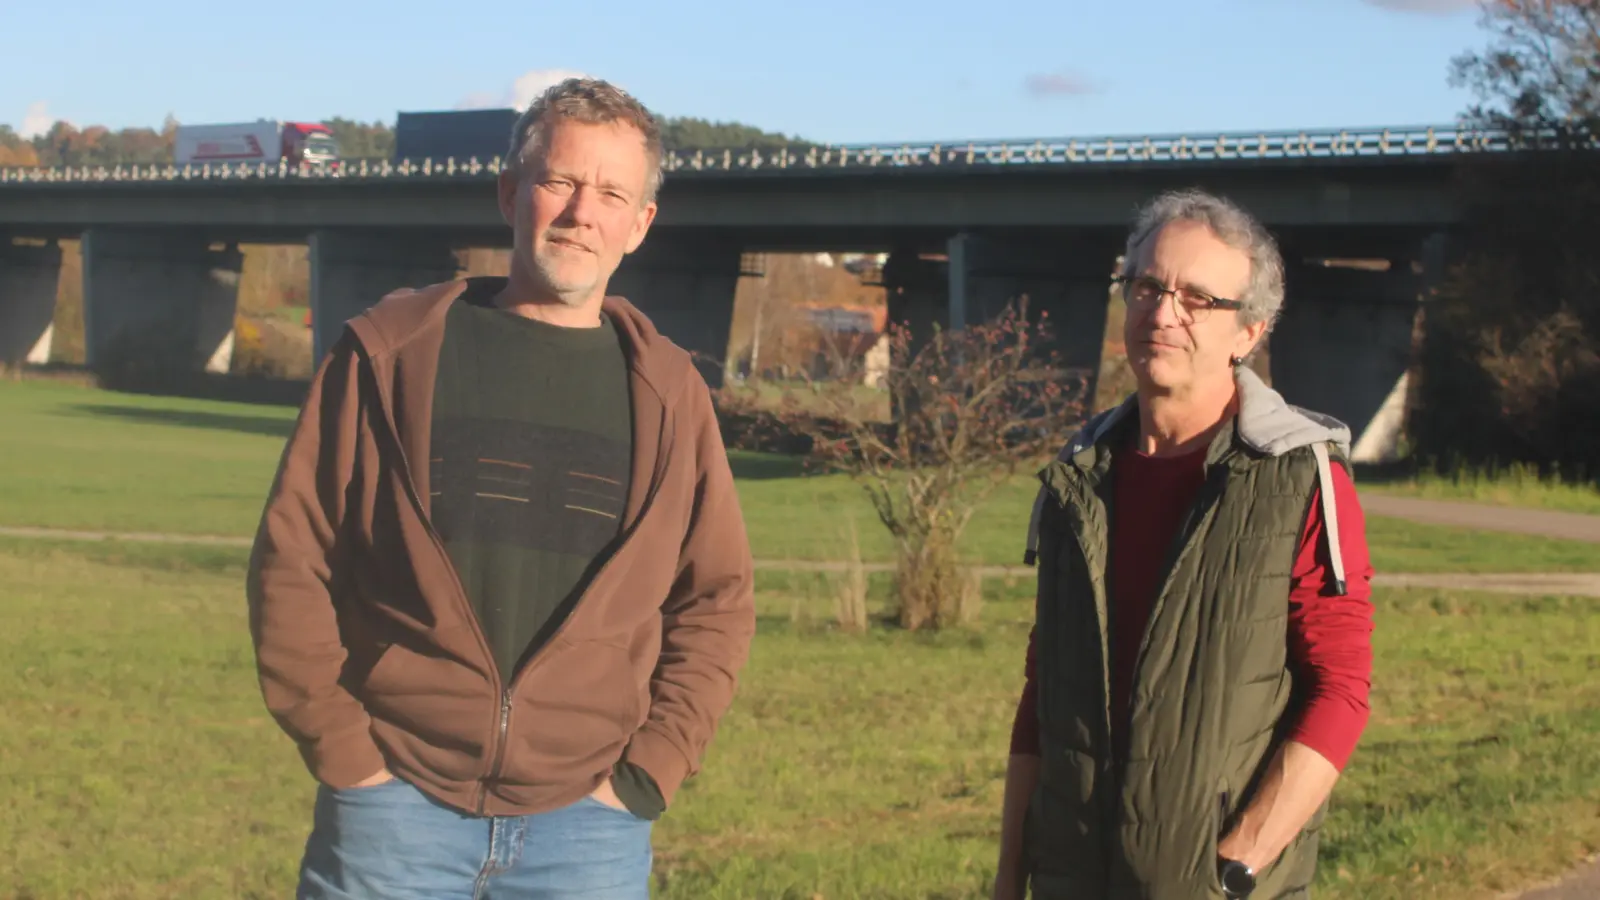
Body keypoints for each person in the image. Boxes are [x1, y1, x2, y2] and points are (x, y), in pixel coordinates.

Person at [246, 77, 756, 899]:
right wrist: (347, 754)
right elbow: (293, 558)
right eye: (559, 180)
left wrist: (647, 773)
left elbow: (716, 600)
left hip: (589, 830)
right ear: (512, 192)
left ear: (640, 224)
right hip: (392, 812)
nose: (581, 211)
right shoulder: (386, 357)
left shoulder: (672, 397)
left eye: (612, 193)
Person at [993, 188, 1376, 900]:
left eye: (1197, 298)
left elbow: (1342, 691)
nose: (1162, 313)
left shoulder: (1299, 477)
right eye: (1148, 286)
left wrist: (1233, 867)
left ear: (1250, 332)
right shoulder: (1078, 478)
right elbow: (1042, 696)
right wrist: (1009, 875)